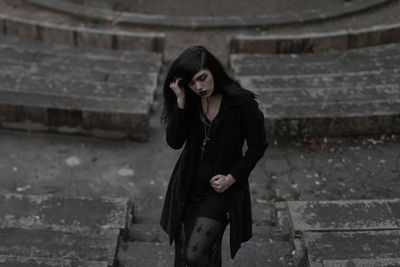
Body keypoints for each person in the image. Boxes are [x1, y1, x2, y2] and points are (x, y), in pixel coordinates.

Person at [160, 46, 267, 267]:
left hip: (221, 192)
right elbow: (175, 142)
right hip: (188, 187)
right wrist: (180, 101)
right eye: (191, 83)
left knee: (194, 254)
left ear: (214, 71)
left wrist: (231, 178)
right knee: (188, 253)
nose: (198, 87)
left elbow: (258, 147)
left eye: (202, 78)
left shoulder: (242, 104)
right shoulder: (189, 102)